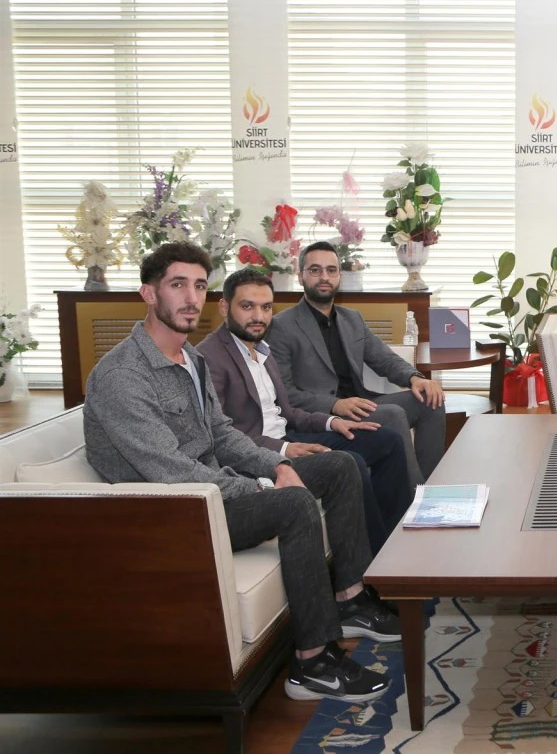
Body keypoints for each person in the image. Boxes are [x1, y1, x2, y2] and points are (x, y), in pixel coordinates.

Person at [82, 242, 399, 704]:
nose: (191, 298)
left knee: (339, 464)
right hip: (176, 515)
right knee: (293, 503)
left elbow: (222, 433)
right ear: (149, 294)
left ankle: (350, 600)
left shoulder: (190, 360)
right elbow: (170, 471)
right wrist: (258, 485)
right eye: (177, 285)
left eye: (198, 286)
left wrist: (278, 463)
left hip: (212, 492)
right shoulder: (122, 376)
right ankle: (312, 663)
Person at [197, 268, 415, 553]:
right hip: (259, 454)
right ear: (224, 307)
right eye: (247, 306)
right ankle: (375, 559)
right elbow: (221, 435)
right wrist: (284, 449)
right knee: (350, 462)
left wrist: (332, 422)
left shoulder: (262, 349)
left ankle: (401, 543)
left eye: (266, 307)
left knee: (387, 441)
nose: (258, 316)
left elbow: (287, 411)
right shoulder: (209, 357)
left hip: (289, 435)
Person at [269, 241, 445, 485]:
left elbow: (384, 358)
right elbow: (284, 393)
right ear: (301, 277)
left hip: (361, 403)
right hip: (319, 416)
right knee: (393, 413)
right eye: (315, 270)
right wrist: (335, 404)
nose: (324, 277)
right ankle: (416, 496)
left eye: (331, 270)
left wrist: (414, 377)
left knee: (430, 400)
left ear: (339, 276)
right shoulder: (281, 326)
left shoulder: (351, 319)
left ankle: (434, 486)